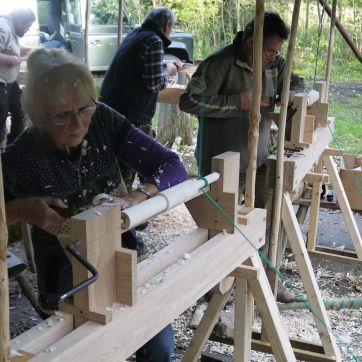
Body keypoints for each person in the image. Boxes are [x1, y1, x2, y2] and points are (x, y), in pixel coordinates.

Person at [3, 48, 187, 361]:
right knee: (86, 352)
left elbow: (172, 166)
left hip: (124, 260)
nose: (78, 122)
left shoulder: (102, 121)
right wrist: (22, 209)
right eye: (62, 115)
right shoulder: (20, 158)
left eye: (84, 108)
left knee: (157, 346)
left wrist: (134, 198)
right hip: (66, 278)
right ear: (38, 115)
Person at [179, 12, 305, 302]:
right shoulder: (219, 63)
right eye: (270, 50)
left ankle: (264, 284)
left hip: (258, 160)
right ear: (251, 42)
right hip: (221, 166)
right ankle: (212, 292)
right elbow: (189, 101)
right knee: (219, 231)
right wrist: (238, 103)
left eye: (277, 51)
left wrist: (292, 97)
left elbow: (295, 83)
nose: (274, 57)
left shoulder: (274, 65)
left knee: (264, 223)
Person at [99, 6, 182, 190]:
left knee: (116, 167)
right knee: (130, 168)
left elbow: (139, 68)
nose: (172, 31)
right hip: (132, 116)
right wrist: (169, 70)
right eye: (172, 27)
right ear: (166, 26)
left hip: (110, 111)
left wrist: (163, 65)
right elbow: (154, 84)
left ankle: (127, 208)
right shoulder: (154, 41)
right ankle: (126, 211)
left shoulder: (136, 35)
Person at [0, 8, 35, 147]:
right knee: (1, 117)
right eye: (28, 26)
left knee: (20, 109)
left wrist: (32, 50)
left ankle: (15, 145)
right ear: (20, 22)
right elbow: (11, 54)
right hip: (0, 82)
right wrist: (12, 60)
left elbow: (12, 46)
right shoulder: (3, 27)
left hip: (9, 81)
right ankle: (2, 150)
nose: (28, 30)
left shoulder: (11, 27)